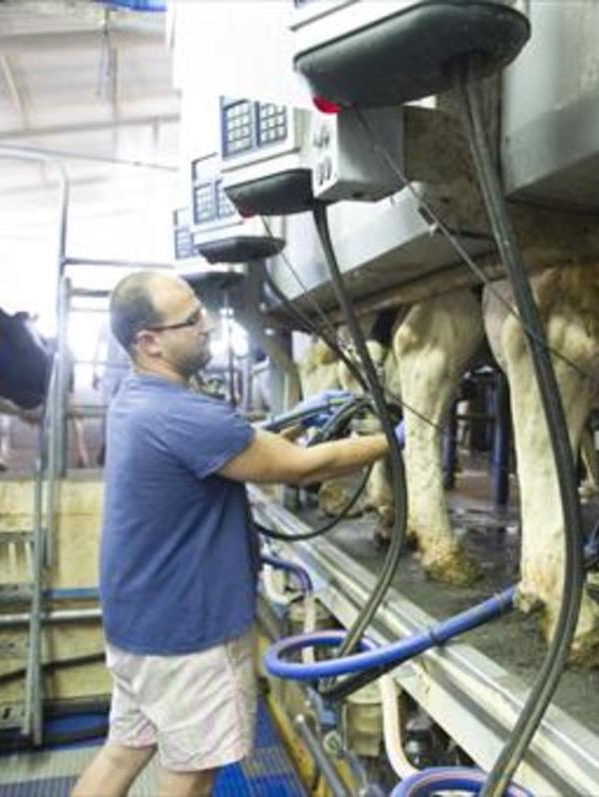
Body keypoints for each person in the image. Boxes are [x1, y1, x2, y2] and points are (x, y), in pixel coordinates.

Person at [73, 271, 391, 797]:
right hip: (189, 636)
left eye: (202, 311)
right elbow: (302, 468)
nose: (207, 325)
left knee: (123, 751)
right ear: (149, 342)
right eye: (191, 320)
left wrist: (300, 419)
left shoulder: (137, 398)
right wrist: (399, 439)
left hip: (140, 623)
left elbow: (235, 445)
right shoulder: (181, 413)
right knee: (192, 775)